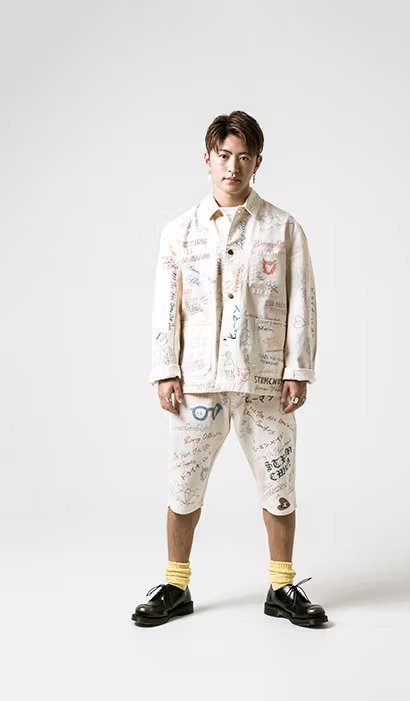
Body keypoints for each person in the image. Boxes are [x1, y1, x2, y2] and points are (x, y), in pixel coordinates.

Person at [131, 110, 328, 629]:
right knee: (183, 484)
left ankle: (282, 586)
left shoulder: (284, 229)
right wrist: (164, 368)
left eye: (244, 157)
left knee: (279, 484)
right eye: (224, 156)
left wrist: (298, 369)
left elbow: (303, 301)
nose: (232, 167)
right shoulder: (179, 232)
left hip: (265, 380)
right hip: (198, 380)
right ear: (207, 159)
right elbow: (166, 305)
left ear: (258, 162)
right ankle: (175, 585)